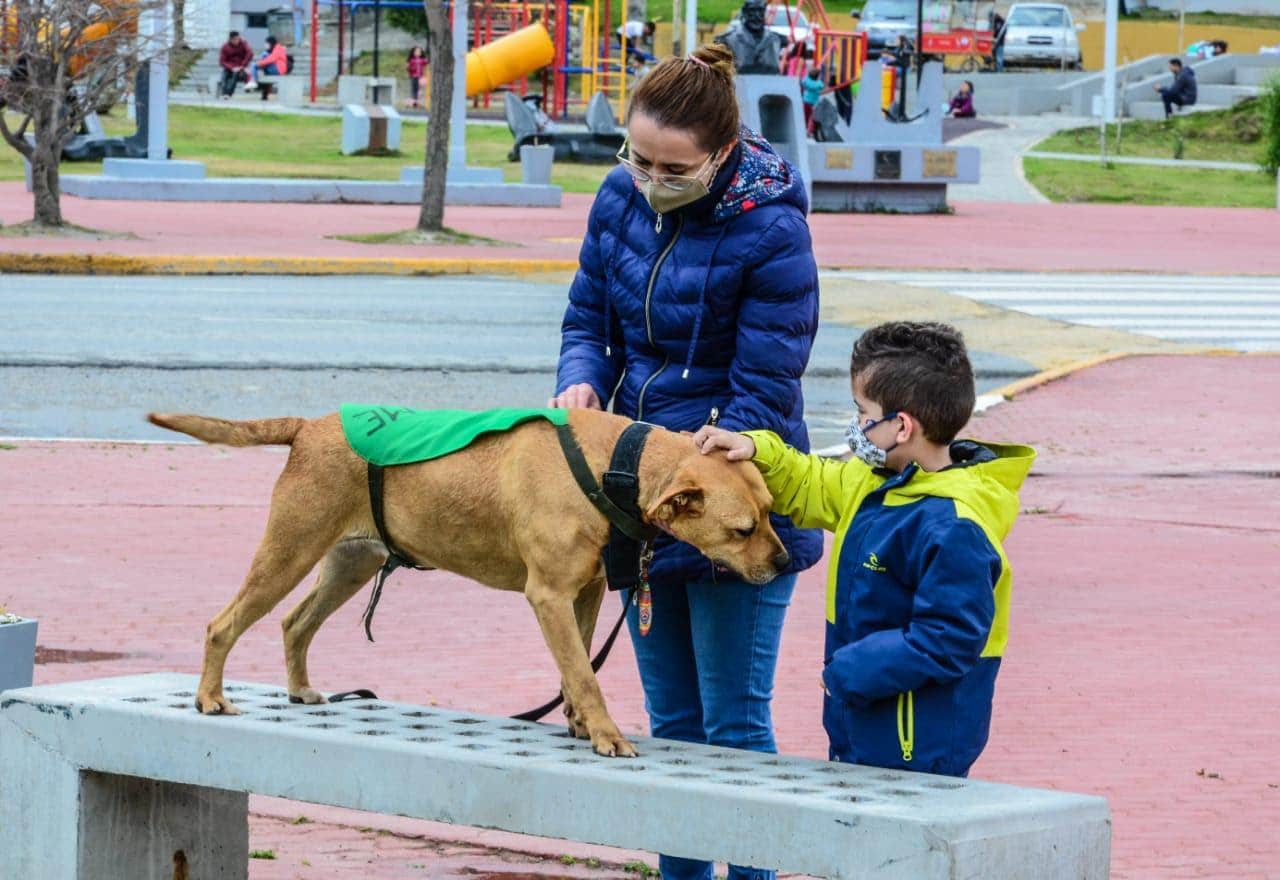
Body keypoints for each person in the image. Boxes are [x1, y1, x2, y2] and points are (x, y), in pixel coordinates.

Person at [550, 42, 821, 880]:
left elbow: (767, 380)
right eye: (637, 157)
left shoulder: (772, 228)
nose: (650, 177)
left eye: (674, 167)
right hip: (635, 490)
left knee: (734, 725)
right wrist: (581, 381)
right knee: (670, 723)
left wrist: (707, 459)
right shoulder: (618, 195)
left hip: (728, 491)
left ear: (723, 154)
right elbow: (585, 313)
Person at [692, 321, 1035, 778]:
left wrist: (849, 672)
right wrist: (755, 448)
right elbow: (809, 481)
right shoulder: (872, 482)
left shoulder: (955, 527)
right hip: (862, 719)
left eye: (862, 413)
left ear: (902, 426)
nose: (856, 427)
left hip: (917, 743)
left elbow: (947, 640)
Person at [217, 31, 253, 100]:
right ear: (231, 39)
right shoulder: (225, 47)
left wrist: (242, 65)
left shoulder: (243, 43)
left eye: (238, 39)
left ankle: (229, 93)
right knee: (224, 74)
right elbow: (222, 61)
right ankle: (224, 93)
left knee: (235, 74)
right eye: (236, 39)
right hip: (230, 67)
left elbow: (250, 53)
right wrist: (231, 68)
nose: (238, 41)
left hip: (241, 68)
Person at [255, 36, 289, 101]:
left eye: (267, 43)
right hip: (274, 68)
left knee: (258, 67)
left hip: (278, 70)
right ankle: (262, 91)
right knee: (263, 71)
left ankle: (257, 84)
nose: (266, 45)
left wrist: (259, 64)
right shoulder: (271, 50)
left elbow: (271, 59)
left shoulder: (278, 48)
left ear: (271, 43)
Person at [801, 66, 824, 132]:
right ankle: (811, 130)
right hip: (814, 103)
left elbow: (803, 81)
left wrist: (808, 75)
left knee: (806, 116)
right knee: (813, 117)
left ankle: (804, 128)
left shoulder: (806, 81)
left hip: (806, 101)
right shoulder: (818, 83)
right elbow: (822, 86)